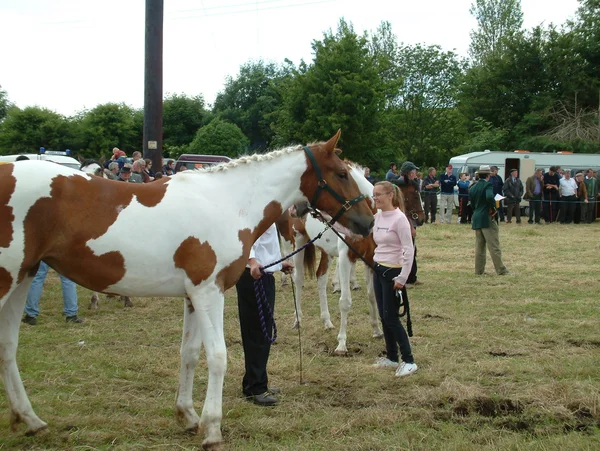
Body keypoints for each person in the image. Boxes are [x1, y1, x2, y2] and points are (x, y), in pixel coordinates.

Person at [236, 224, 294, 406]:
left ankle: (256, 381)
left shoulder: (268, 211)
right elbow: (246, 238)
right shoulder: (257, 209)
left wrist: (278, 263)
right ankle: (256, 388)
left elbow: (265, 243)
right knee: (257, 332)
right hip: (254, 276)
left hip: (264, 273)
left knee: (262, 331)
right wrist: (252, 262)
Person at [371, 181, 418, 377]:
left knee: (391, 318)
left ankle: (409, 360)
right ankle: (392, 357)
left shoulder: (399, 219)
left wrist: (402, 277)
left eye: (378, 194)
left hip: (393, 273)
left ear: (390, 195)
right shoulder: (377, 217)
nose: (375, 198)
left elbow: (409, 249)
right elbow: (354, 231)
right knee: (383, 315)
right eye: (374, 195)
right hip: (378, 269)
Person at [469, 165, 509, 276]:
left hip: (477, 216)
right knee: (494, 245)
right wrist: (493, 208)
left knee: (479, 246)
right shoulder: (488, 185)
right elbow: (489, 197)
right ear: (488, 175)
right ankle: (500, 269)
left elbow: (471, 202)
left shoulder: (473, 187)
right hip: (486, 217)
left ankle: (479, 270)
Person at [395, 161, 422, 287]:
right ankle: (407, 278)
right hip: (403, 222)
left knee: (411, 248)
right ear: (410, 173)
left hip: (409, 219)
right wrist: (411, 226)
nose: (415, 175)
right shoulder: (401, 187)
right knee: (407, 249)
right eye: (414, 172)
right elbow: (402, 208)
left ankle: (412, 276)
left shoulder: (409, 186)